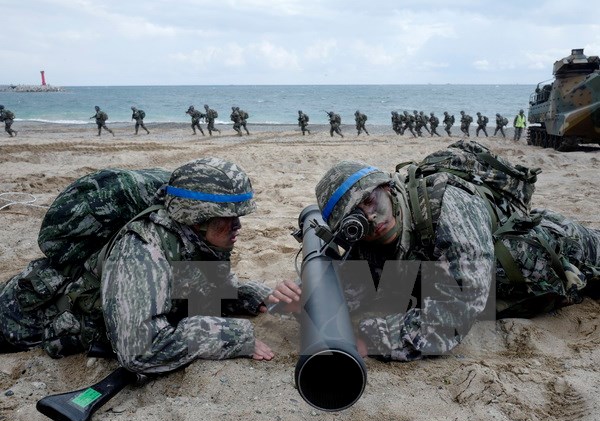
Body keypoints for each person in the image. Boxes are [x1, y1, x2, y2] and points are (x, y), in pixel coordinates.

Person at [270, 151, 600, 362]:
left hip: (567, 251)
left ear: (386, 188)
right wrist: (306, 302)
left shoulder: (446, 204)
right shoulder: (370, 240)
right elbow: (354, 290)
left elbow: (455, 313)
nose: (371, 217)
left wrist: (373, 337)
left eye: (370, 201)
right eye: (355, 218)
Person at [0, 158, 279, 371]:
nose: (238, 225)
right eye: (228, 218)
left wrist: (253, 297)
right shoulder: (142, 249)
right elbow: (140, 351)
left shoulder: (188, 237)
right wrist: (234, 336)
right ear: (199, 217)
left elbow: (194, 285)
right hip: (17, 323)